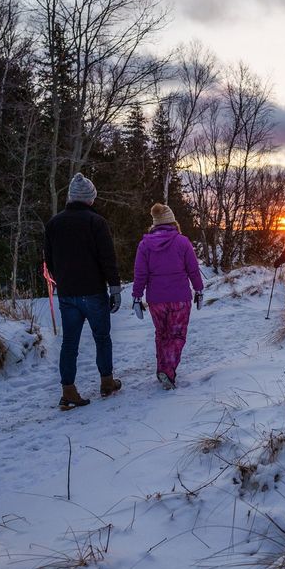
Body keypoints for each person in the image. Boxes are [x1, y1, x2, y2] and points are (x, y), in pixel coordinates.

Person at [45, 172, 123, 409]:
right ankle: (107, 382)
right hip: (93, 292)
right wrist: (115, 288)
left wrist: (62, 280)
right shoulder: (96, 222)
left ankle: (68, 390)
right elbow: (107, 258)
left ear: (70, 197)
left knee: (69, 343)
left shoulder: (54, 223)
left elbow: (49, 259)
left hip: (67, 293)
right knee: (102, 338)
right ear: (90, 198)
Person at [131, 203, 204, 390]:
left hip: (156, 299)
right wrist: (199, 290)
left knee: (162, 335)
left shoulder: (144, 244)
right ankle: (168, 371)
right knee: (177, 335)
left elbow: (140, 273)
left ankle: (162, 369)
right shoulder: (183, 242)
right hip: (180, 298)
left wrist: (137, 297)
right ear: (173, 222)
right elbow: (193, 269)